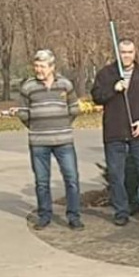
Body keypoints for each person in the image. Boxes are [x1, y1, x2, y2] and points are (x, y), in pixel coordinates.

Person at [91, 39, 139, 226]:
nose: (126, 56)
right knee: (117, 174)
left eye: (130, 52)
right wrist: (113, 89)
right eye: (123, 52)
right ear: (117, 53)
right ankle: (121, 211)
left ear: (135, 53)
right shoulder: (106, 74)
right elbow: (97, 97)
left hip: (138, 133)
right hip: (115, 131)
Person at [15, 49, 83, 231]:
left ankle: (74, 216)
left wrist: (63, 123)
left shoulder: (65, 84)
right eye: (36, 66)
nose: (39, 70)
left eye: (42, 66)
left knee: (72, 178)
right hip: (39, 142)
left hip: (64, 140)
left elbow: (74, 108)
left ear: (52, 67)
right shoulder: (28, 86)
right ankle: (44, 215)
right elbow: (22, 113)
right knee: (42, 181)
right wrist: (36, 126)